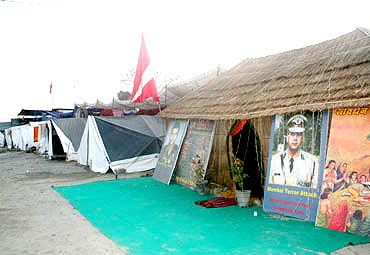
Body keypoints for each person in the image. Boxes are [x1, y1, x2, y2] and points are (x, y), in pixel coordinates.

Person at [269, 114, 319, 188]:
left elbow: (315, 191)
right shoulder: (274, 160)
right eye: (292, 134)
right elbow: (270, 189)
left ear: (302, 138)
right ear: (287, 137)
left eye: (298, 134)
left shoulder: (312, 162)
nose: (295, 138)